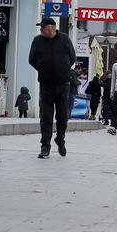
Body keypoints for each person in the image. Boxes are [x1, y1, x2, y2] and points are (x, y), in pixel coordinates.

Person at [28, 16, 76, 158]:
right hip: (46, 84)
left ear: (52, 28)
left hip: (63, 84)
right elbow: (32, 59)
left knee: (62, 116)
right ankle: (45, 146)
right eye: (41, 28)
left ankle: (60, 139)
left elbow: (72, 58)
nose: (41, 30)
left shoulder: (65, 39)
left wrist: (63, 69)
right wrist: (43, 69)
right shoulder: (37, 40)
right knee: (46, 117)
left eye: (43, 28)